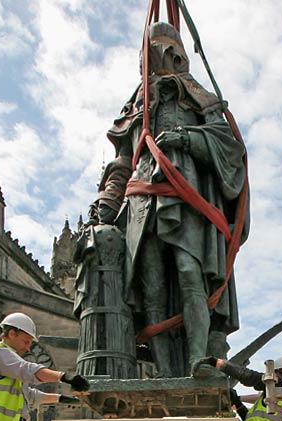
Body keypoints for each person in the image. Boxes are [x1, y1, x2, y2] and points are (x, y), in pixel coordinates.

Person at [92, 21, 247, 378]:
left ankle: (198, 362)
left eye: (163, 49)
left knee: (191, 272)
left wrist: (186, 139)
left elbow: (228, 146)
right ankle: (164, 374)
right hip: (141, 203)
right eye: (150, 52)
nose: (158, 58)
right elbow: (122, 162)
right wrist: (107, 203)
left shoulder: (198, 97)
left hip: (186, 196)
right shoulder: (136, 106)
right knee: (152, 290)